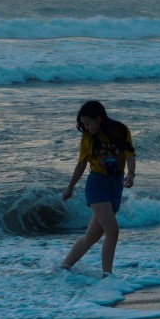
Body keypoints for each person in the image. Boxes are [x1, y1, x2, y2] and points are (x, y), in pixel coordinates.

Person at [61, 100, 135, 277]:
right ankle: (107, 275)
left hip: (115, 185)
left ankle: (63, 267)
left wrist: (131, 174)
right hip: (97, 185)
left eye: (88, 123)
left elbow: (130, 153)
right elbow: (81, 164)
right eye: (83, 124)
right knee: (113, 231)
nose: (86, 128)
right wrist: (70, 187)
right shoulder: (88, 138)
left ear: (99, 119)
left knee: (91, 237)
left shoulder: (121, 130)